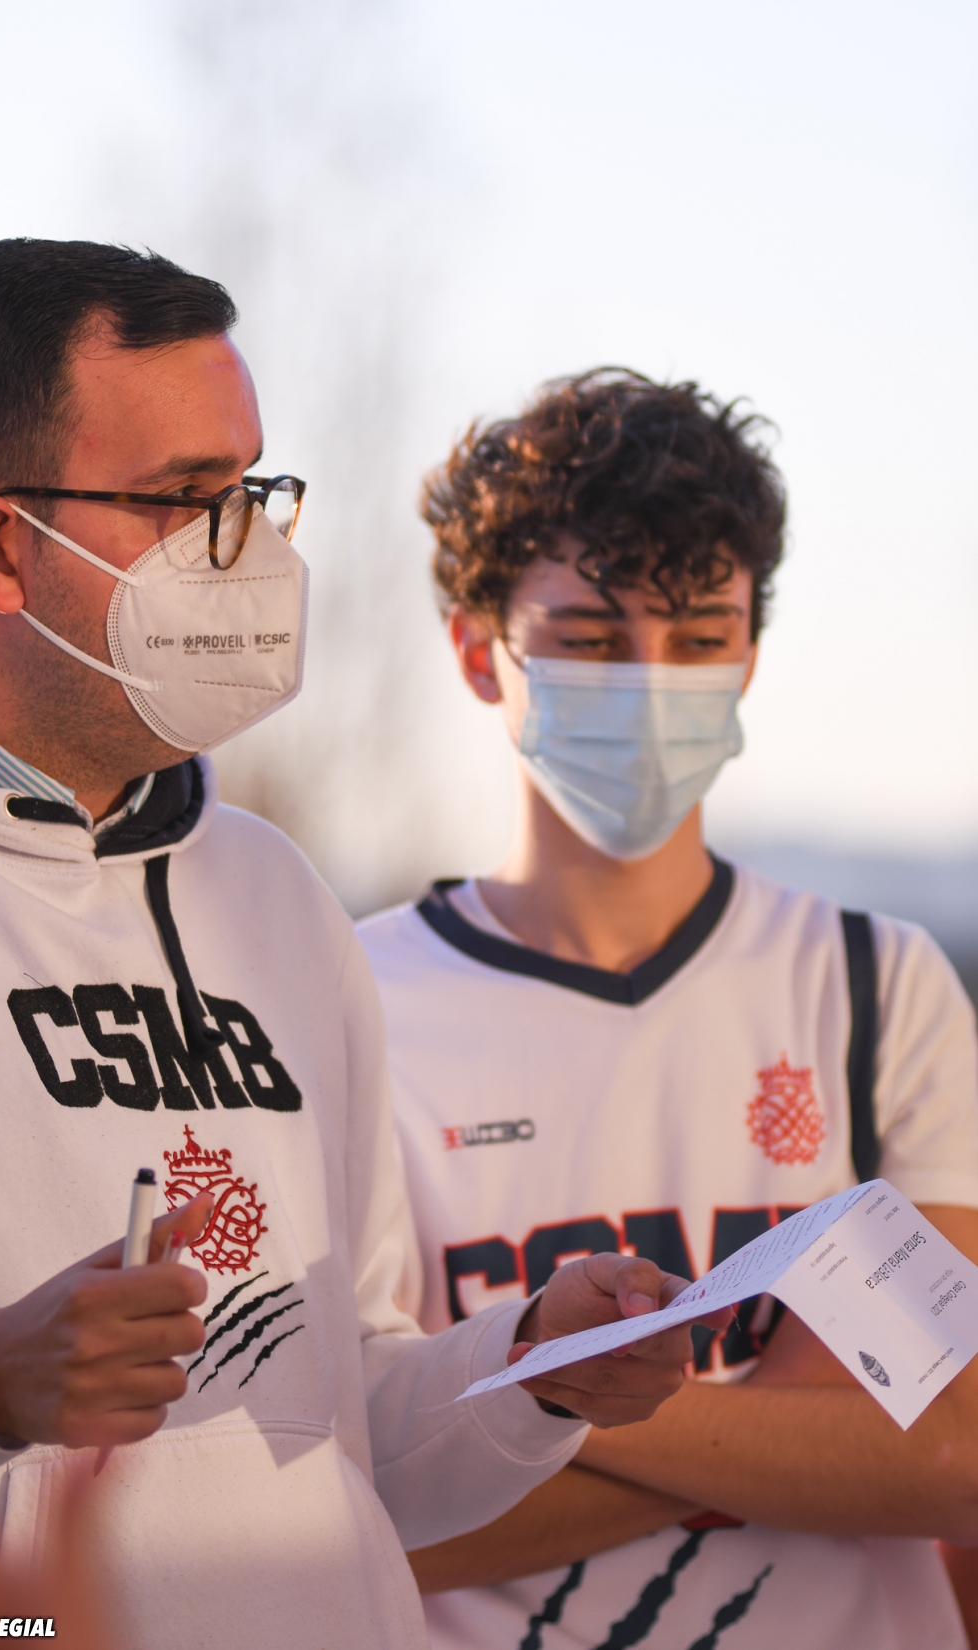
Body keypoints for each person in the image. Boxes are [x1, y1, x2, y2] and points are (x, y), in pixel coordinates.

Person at [0, 245, 725, 1650]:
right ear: (2, 552)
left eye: (254, 491)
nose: (251, 550)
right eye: (187, 500)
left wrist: (534, 1365)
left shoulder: (275, 893)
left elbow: (343, 1418)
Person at [358, 368, 978, 1650]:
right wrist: (805, 1438)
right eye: (590, 640)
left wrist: (511, 1405)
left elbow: (947, 1456)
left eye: (696, 638)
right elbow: (367, 1519)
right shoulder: (348, 1000)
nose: (649, 683)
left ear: (748, 654)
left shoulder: (875, 985)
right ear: (478, 652)